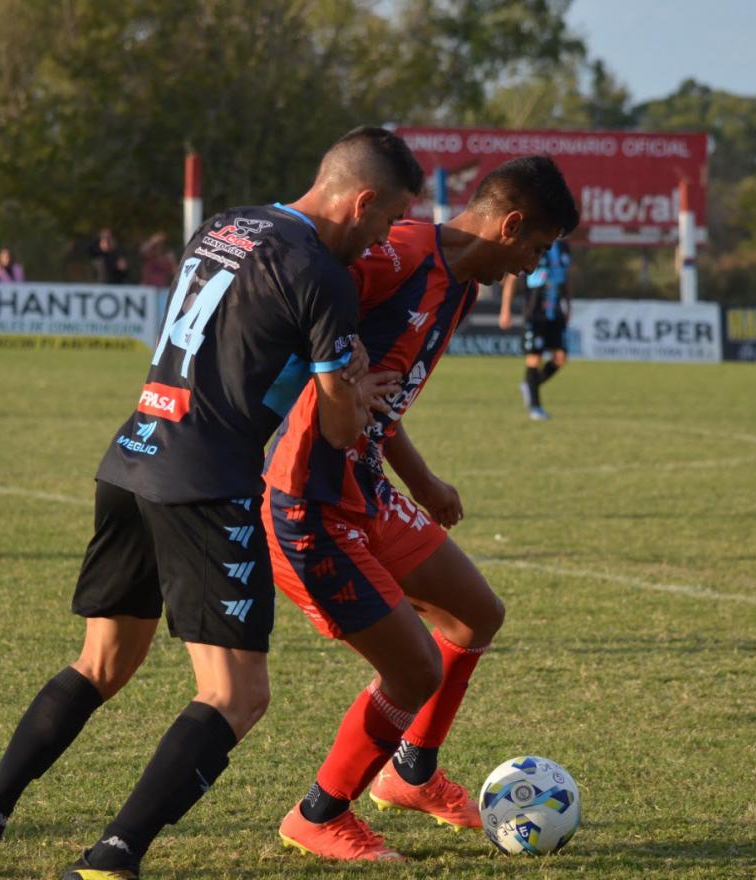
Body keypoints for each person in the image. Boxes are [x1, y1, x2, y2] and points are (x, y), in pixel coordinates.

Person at [0, 125, 423, 880]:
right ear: (360, 201)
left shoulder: (224, 223)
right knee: (235, 695)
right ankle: (112, 858)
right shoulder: (322, 273)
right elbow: (333, 427)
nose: (384, 238)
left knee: (100, 662)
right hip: (205, 479)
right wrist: (354, 393)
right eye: (387, 219)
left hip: (132, 454)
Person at [263, 156, 579, 861]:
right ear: (511, 224)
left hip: (364, 483)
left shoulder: (461, 284)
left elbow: (386, 393)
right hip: (311, 493)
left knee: (476, 615)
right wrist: (326, 376)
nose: (532, 267)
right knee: (413, 672)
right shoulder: (400, 251)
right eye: (535, 249)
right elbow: (304, 305)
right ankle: (318, 813)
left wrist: (424, 481)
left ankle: (410, 772)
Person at [498, 236, 572, 419]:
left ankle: (530, 386)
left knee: (560, 358)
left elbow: (565, 279)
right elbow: (511, 280)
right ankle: (535, 407)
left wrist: (569, 304)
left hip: (555, 312)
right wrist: (505, 310)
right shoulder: (533, 243)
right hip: (535, 312)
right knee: (534, 358)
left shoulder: (564, 248)